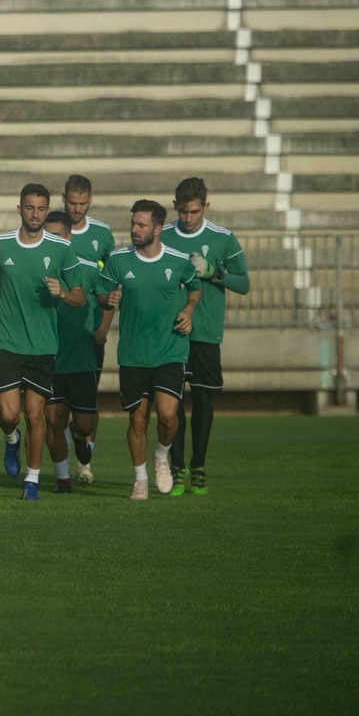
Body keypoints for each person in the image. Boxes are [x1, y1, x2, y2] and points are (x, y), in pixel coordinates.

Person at [0, 183, 86, 501]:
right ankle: (11, 440)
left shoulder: (61, 249)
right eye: (29, 208)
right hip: (7, 342)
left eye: (40, 209)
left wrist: (62, 292)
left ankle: (32, 481)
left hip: (43, 346)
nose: (35, 214)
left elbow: (79, 297)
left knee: (36, 415)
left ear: (47, 210)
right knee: (10, 415)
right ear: (19, 208)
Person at [96, 200, 201, 500]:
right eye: (133, 224)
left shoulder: (179, 261)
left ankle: (161, 456)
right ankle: (140, 479)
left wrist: (189, 311)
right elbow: (102, 295)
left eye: (141, 225)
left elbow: (195, 288)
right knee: (138, 419)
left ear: (157, 229)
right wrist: (108, 301)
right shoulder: (118, 261)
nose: (134, 229)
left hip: (170, 350)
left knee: (168, 416)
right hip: (133, 353)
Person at [160, 178, 247, 496]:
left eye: (194, 212)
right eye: (182, 211)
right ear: (175, 207)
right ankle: (177, 468)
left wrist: (214, 272)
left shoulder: (223, 238)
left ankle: (199, 466)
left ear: (205, 207)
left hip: (206, 332)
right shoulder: (164, 236)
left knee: (203, 399)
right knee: (172, 403)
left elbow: (243, 283)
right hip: (170, 333)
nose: (187, 218)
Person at [41, 210, 108, 492]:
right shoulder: (38, 270)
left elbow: (106, 298)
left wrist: (103, 326)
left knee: (81, 424)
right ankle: (62, 479)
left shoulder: (89, 270)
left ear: (69, 238)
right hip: (48, 358)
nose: (49, 241)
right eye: (46, 236)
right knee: (54, 421)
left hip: (82, 359)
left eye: (55, 236)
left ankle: (81, 440)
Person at [62, 174, 116, 471]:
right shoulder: (54, 229)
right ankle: (61, 464)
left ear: (90, 200)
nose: (77, 208)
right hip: (57, 332)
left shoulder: (103, 234)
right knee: (56, 402)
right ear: (63, 199)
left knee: (88, 397)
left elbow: (112, 286)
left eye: (83, 203)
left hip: (89, 330)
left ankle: (85, 459)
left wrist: (105, 326)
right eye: (72, 202)